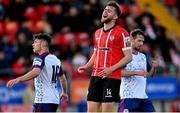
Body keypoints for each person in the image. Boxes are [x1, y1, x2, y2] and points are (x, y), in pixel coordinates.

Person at [78, 1, 132, 112]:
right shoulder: (97, 33)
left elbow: (128, 57)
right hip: (95, 76)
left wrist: (110, 69)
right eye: (105, 9)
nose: (105, 11)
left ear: (115, 16)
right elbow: (96, 52)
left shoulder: (122, 33)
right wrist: (87, 65)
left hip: (112, 77)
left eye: (109, 10)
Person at [6, 33, 68, 112]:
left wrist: (17, 79)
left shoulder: (40, 58)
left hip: (43, 100)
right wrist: (64, 92)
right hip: (54, 101)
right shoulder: (56, 59)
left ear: (43, 44)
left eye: (35, 42)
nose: (33, 44)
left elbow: (36, 72)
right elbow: (63, 79)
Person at [119, 29, 158, 112]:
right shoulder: (124, 55)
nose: (141, 44)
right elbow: (119, 73)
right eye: (139, 41)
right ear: (132, 40)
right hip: (128, 97)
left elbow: (150, 75)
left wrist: (154, 68)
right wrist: (136, 72)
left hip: (143, 97)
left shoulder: (143, 56)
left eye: (142, 41)